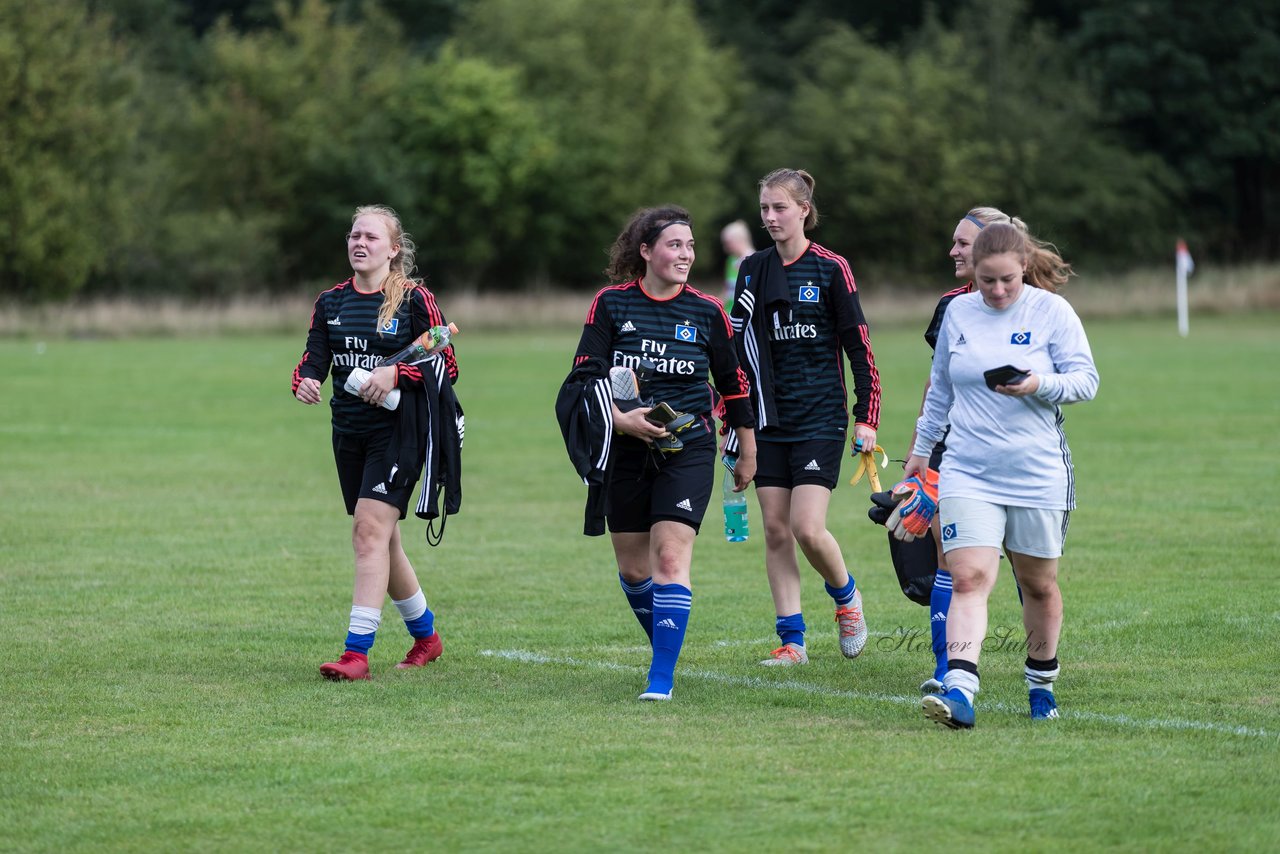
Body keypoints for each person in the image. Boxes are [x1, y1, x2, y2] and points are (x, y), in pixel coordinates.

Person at [907, 222, 1098, 728]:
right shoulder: (959, 313)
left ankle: (1041, 682)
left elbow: (1086, 381)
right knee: (968, 577)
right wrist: (922, 452)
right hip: (968, 469)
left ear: (1023, 269)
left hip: (1036, 472)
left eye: (1007, 280)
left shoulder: (1051, 311)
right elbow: (941, 390)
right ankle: (961, 690)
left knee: (1038, 586)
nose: (996, 291)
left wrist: (1037, 383)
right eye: (986, 280)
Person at [571, 205, 756, 701]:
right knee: (634, 569)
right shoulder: (610, 305)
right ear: (646, 251)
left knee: (670, 559)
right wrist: (618, 419)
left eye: (691, 246)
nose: (686, 254)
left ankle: (661, 678)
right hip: (626, 451)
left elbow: (734, 384)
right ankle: (665, 648)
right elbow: (583, 378)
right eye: (675, 245)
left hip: (688, 447)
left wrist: (747, 448)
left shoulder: (708, 310)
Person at [292, 205, 459, 681]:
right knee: (384, 539)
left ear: (394, 249)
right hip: (348, 432)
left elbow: (447, 366)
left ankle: (355, 654)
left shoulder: (413, 299)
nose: (358, 243)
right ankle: (426, 637)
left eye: (369, 236)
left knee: (368, 533)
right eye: (353, 235)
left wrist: (396, 372)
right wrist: (305, 382)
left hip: (401, 433)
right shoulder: (331, 302)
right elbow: (314, 359)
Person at [731, 168, 881, 666]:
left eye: (779, 208)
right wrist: (735, 418)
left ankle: (847, 600)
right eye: (764, 210)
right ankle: (792, 642)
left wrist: (867, 415)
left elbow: (858, 347)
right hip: (769, 419)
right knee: (775, 529)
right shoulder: (752, 270)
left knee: (807, 528)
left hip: (820, 416)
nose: (770, 218)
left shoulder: (831, 268)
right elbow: (739, 348)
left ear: (803, 211)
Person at [910, 206, 1031, 695]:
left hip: (1022, 455)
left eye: (963, 243)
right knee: (950, 557)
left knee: (1030, 567)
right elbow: (937, 383)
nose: (953, 250)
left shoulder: (1036, 304)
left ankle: (1040, 664)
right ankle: (949, 671)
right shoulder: (951, 306)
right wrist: (921, 452)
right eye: (956, 242)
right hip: (956, 448)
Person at [720, 219, 755, 311]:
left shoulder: (754, 261)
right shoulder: (731, 260)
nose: (725, 248)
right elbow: (727, 290)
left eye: (728, 243)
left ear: (739, 240)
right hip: (729, 313)